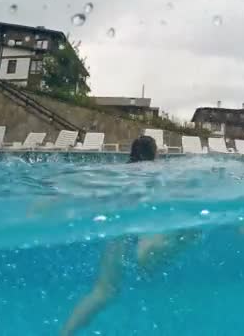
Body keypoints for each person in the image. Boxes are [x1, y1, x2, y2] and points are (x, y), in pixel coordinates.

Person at [61, 136, 199, 336]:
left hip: (120, 230)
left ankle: (65, 333)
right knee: (186, 234)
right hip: (144, 227)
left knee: (104, 291)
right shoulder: (155, 170)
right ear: (155, 153)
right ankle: (147, 264)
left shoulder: (120, 171)